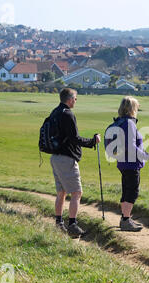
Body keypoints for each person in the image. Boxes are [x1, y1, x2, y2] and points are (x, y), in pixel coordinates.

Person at [50, 88, 101, 237]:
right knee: (77, 192)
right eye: (76, 99)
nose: (76, 101)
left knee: (61, 192)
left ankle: (59, 223)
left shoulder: (55, 112)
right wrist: (92, 141)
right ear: (70, 99)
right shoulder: (68, 114)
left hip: (55, 157)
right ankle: (72, 224)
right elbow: (74, 138)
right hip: (66, 159)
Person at [115, 96, 149, 232]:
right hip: (131, 163)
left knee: (127, 190)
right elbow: (131, 146)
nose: (137, 110)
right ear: (131, 109)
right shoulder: (129, 123)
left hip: (123, 162)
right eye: (136, 107)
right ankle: (125, 221)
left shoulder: (120, 122)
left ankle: (125, 218)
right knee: (132, 192)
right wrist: (146, 156)